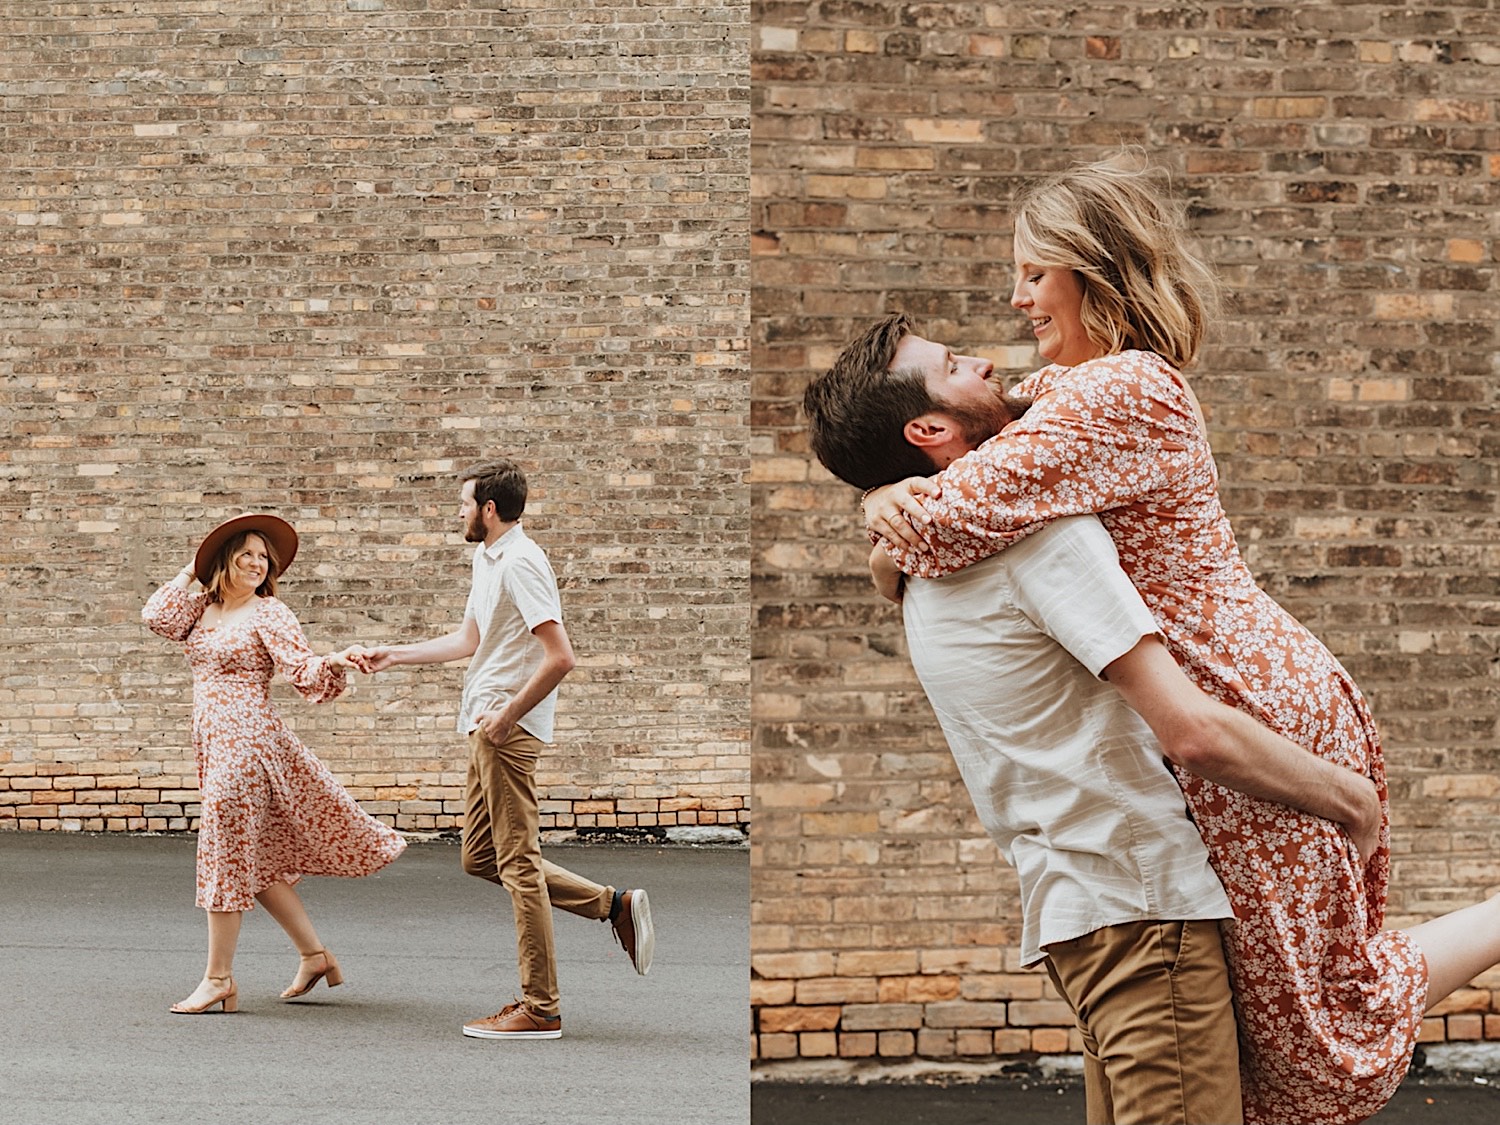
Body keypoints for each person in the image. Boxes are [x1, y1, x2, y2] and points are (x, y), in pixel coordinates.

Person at [813, 158, 1500, 1125]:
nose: (1014, 303)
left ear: (1093, 274)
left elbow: (941, 516)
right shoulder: (1061, 395)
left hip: (1253, 705)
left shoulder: (1128, 388)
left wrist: (886, 511)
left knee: (1312, 1026)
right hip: (1237, 713)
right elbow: (948, 502)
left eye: (1033, 275)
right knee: (1302, 1022)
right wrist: (888, 506)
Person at [807, 348, 1386, 1124]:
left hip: (1080, 918)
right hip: (1145, 917)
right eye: (953, 364)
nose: (984, 359)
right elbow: (1193, 731)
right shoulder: (1042, 541)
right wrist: (1352, 798)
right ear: (930, 426)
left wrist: (881, 496)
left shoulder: (918, 560)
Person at [355, 458, 654, 1042]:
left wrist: (507, 715)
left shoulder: (521, 561)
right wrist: (394, 653)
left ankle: (541, 1008)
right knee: (480, 857)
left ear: (488, 509)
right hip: (485, 722)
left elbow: (561, 656)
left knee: (517, 864)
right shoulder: (487, 557)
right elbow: (470, 639)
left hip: (505, 730)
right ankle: (612, 905)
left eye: (464, 504)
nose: (459, 513)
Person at [142, 513, 406, 1015]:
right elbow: (157, 616)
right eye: (245, 553)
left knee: (223, 854)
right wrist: (193, 571)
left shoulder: (270, 614)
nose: (256, 563)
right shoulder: (202, 607)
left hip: (247, 744)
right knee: (256, 860)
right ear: (223, 559)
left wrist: (333, 661)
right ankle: (316, 956)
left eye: (263, 556)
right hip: (214, 744)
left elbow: (301, 669)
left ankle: (218, 978)